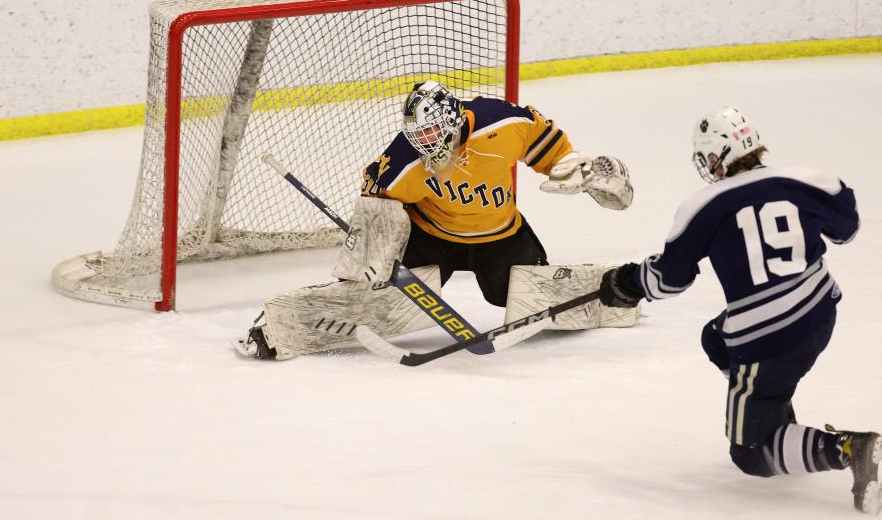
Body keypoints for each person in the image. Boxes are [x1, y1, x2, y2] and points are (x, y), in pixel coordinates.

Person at [599, 106, 880, 515]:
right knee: (716, 337)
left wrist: (626, 283)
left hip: (769, 340)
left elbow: (667, 280)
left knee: (751, 452)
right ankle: (774, 409)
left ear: (715, 157)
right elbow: (848, 227)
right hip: (821, 311)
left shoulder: (703, 204)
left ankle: (851, 449)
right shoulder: (806, 178)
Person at [338, 80, 633, 307]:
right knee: (396, 300)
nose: (424, 143)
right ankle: (355, 298)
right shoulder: (405, 157)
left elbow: (545, 142)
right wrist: (367, 256)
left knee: (520, 298)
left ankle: (613, 286)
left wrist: (575, 169)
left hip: (501, 235)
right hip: (432, 238)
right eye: (417, 135)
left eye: (430, 133)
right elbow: (375, 200)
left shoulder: (500, 122)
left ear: (452, 119)